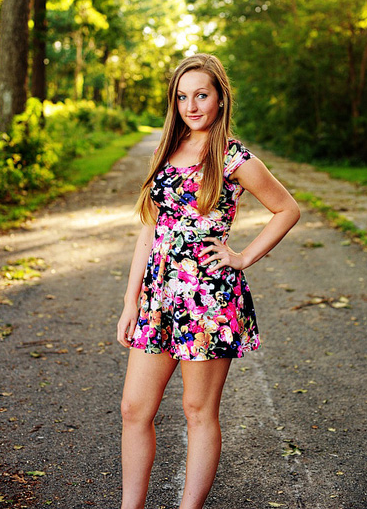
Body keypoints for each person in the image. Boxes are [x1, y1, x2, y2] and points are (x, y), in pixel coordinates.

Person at [116, 53, 301, 508]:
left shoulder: (234, 157)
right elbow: (150, 231)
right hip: (158, 299)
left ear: (220, 98)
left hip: (208, 302)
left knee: (198, 411)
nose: (191, 106)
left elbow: (288, 209)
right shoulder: (167, 150)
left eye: (201, 95)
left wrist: (242, 258)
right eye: (182, 97)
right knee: (133, 409)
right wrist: (130, 301)